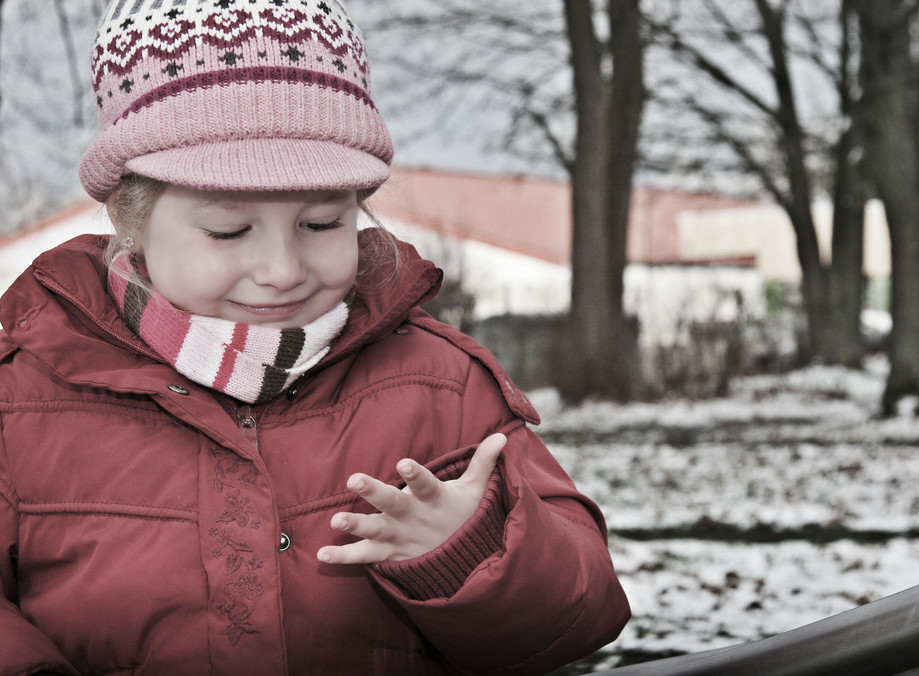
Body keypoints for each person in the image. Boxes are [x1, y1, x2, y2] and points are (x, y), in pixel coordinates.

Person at [0, 1, 631, 674]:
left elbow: (582, 616)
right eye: (229, 231)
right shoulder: (23, 395)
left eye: (322, 224)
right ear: (131, 216)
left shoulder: (440, 387)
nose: (282, 271)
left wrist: (467, 553)